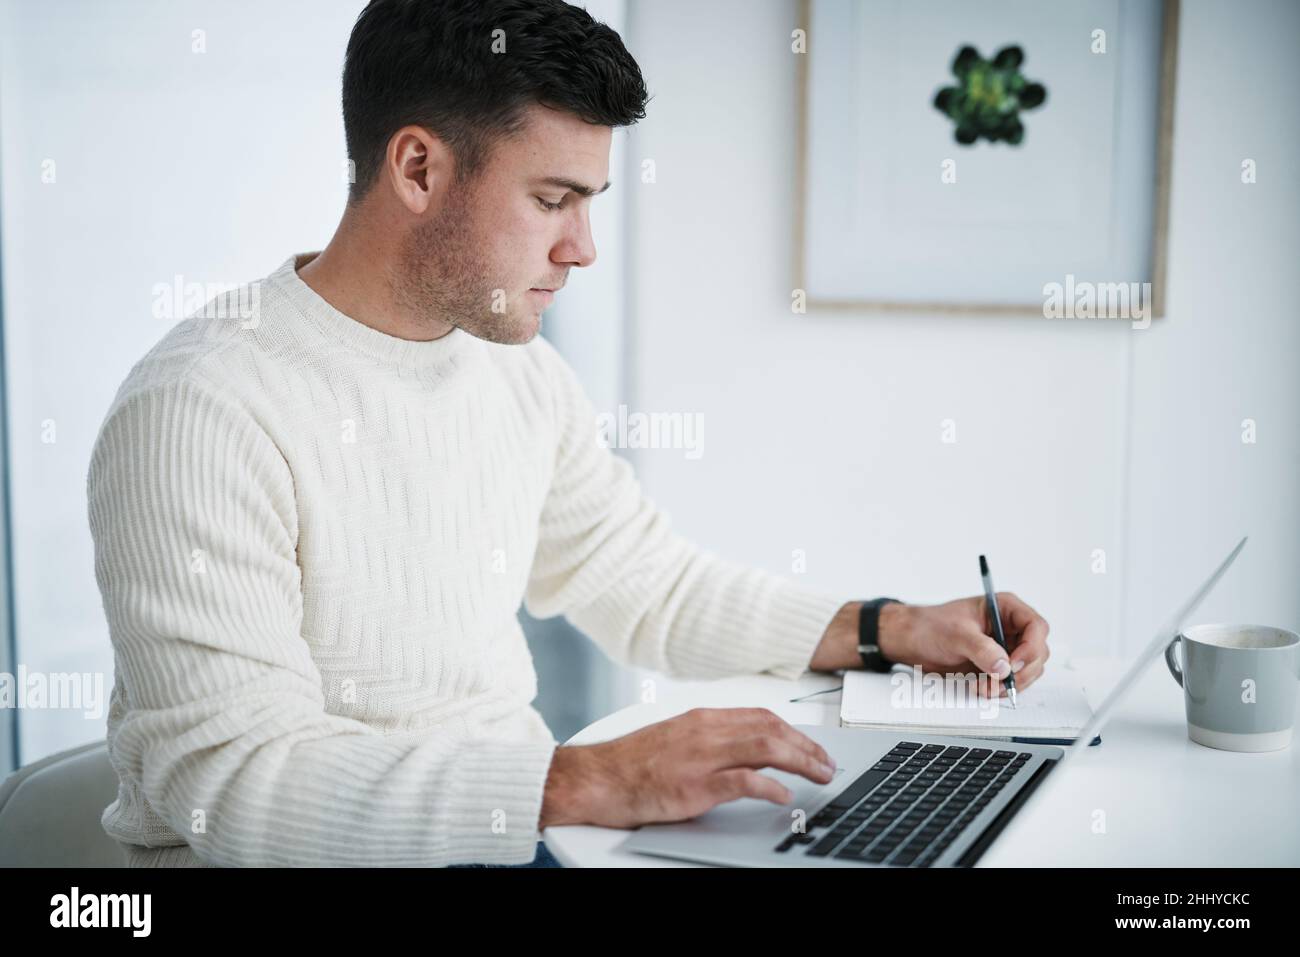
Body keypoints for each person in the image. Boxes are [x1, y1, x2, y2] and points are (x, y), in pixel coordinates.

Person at [87, 0, 1050, 869]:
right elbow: (235, 786)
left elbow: (649, 587)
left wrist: (886, 630)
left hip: (512, 842)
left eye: (590, 203)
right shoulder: (203, 407)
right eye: (551, 200)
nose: (580, 246)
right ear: (417, 168)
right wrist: (588, 781)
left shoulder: (517, 372)